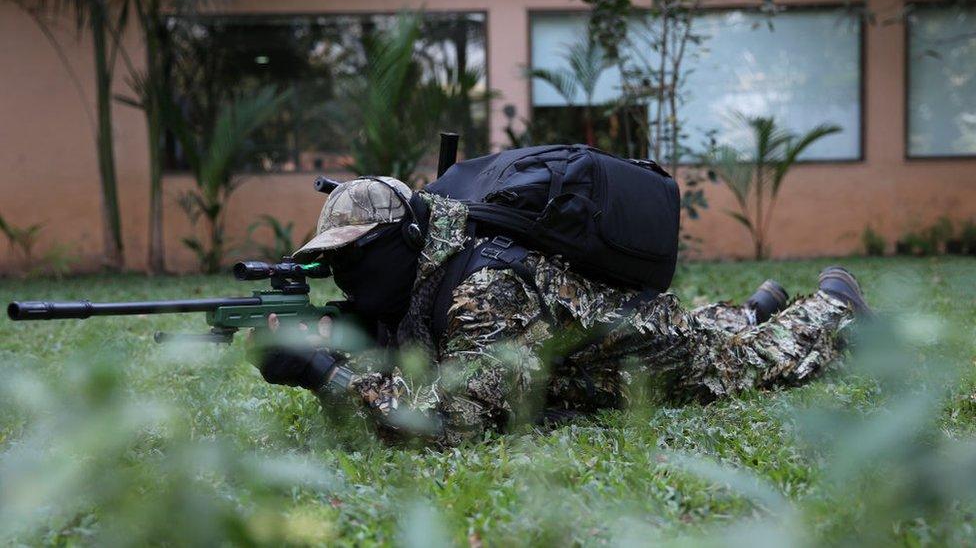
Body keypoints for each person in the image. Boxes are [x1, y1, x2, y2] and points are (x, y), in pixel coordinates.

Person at [249, 176, 871, 447]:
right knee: (704, 331)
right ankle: (753, 307)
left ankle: (834, 303)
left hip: (634, 352)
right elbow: (418, 349)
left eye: (356, 257)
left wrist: (324, 373)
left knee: (744, 363)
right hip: (590, 336)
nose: (349, 276)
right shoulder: (431, 270)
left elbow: (451, 423)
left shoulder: (483, 290)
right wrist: (345, 337)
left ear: (405, 243)